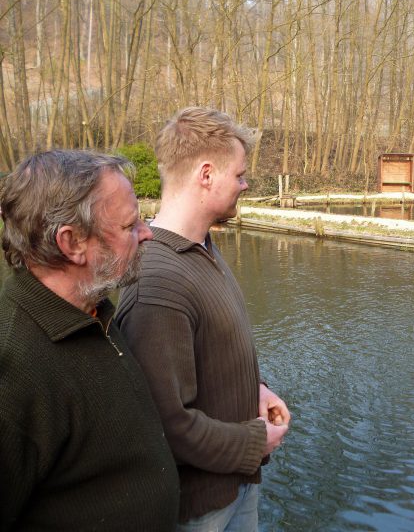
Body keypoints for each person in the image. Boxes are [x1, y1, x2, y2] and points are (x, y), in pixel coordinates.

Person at [115, 107, 291, 531]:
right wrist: (255, 442)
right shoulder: (157, 283)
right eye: (240, 175)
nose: (245, 185)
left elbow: (215, 349)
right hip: (200, 511)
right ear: (207, 174)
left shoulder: (201, 248)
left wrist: (256, 389)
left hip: (235, 489)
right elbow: (167, 425)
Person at [0, 150, 180, 531]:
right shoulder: (14, 368)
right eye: (130, 225)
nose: (147, 232)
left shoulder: (92, 308)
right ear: (72, 243)